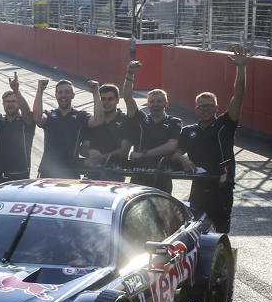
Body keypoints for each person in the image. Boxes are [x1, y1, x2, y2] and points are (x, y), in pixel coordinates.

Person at [175, 44, 249, 233]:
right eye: (202, 106)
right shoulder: (188, 130)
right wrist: (183, 159)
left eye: (209, 105)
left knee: (220, 234)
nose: (205, 109)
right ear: (196, 109)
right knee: (194, 231)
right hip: (199, 188)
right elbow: (176, 151)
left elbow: (238, 96)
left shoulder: (225, 124)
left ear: (217, 108)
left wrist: (241, 68)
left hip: (222, 188)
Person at [122, 60, 183, 193]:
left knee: (161, 213)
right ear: (147, 104)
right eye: (152, 101)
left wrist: (143, 154)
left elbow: (171, 146)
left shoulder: (175, 122)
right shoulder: (141, 119)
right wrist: (129, 74)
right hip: (139, 176)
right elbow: (127, 97)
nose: (155, 104)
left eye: (159, 101)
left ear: (166, 103)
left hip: (162, 176)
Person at [33, 78, 104, 178]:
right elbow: (37, 119)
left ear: (73, 95)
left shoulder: (81, 116)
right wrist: (40, 90)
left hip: (71, 172)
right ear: (56, 95)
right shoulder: (49, 115)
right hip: (48, 171)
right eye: (60, 92)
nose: (63, 95)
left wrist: (96, 92)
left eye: (67, 92)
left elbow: (98, 120)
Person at [0, 72, 36, 183]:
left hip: (20, 178)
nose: (10, 104)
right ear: (3, 104)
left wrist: (16, 91)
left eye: (13, 101)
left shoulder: (26, 122)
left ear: (19, 104)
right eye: (7, 102)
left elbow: (27, 113)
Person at [80, 83, 133, 180]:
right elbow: (83, 148)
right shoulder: (93, 122)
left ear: (117, 100)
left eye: (110, 99)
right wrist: (90, 153)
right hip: (92, 175)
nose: (106, 102)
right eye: (103, 99)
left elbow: (124, 151)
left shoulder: (126, 121)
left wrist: (102, 157)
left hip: (115, 176)